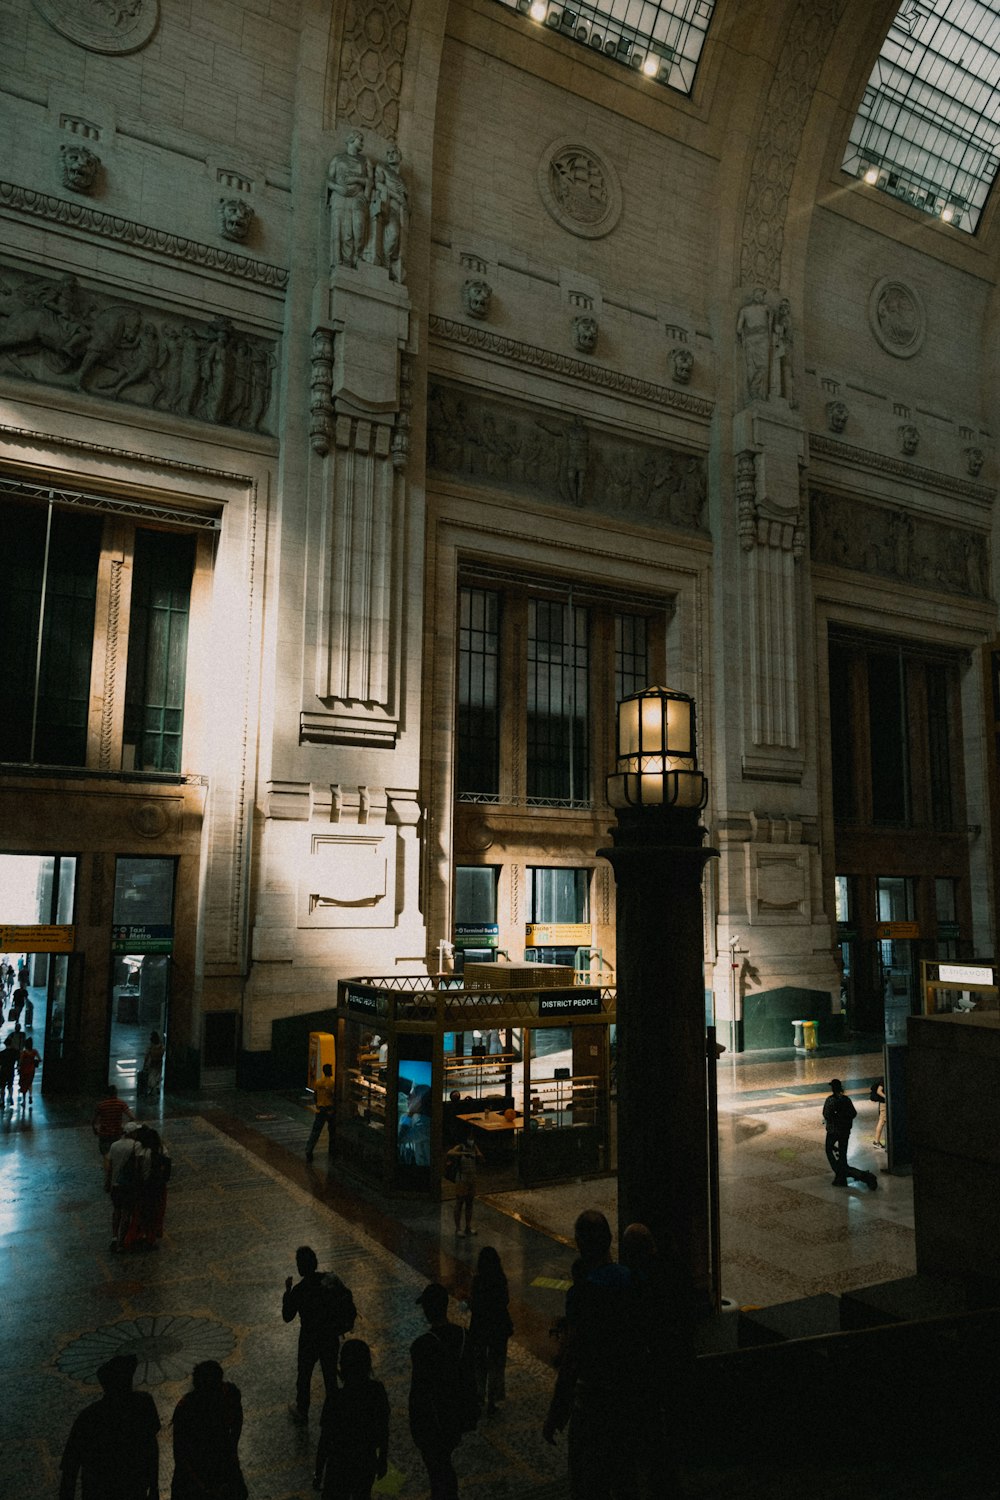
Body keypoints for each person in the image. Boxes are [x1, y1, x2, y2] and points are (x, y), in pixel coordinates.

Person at [543, 1210, 654, 1500]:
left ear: (580, 1243)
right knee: (625, 1478)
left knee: (588, 1484)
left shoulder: (582, 1295)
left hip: (594, 1403)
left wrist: (557, 1411)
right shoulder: (632, 1281)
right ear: (609, 1240)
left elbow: (573, 1358)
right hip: (629, 1398)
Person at [409, 1282, 479, 1500]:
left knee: (437, 1468)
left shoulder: (422, 1346)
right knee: (443, 1463)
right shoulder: (464, 1337)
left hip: (434, 1418)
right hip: (457, 1413)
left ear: (427, 1310)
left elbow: (419, 1391)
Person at [59, 1351, 160, 1500]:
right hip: (134, 1490)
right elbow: (151, 1447)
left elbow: (70, 1467)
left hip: (99, 1491)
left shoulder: (89, 1417)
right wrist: (154, 1486)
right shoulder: (143, 1405)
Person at [282, 1245, 352, 1424]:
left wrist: (287, 1292)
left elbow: (287, 1316)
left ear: (300, 1267)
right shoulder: (329, 1281)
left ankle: (302, 1410)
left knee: (304, 1375)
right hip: (329, 1336)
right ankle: (334, 1411)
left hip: (308, 1339)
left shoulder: (299, 1290)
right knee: (329, 1375)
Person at [313, 1339, 390, 1500]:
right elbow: (383, 1428)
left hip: (339, 1464)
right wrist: (382, 1458)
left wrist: (318, 1472)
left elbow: (325, 1439)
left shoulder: (336, 1398)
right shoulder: (376, 1391)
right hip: (366, 1460)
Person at [171, 1359, 246, 1500]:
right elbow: (182, 1456)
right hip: (198, 1469)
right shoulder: (188, 1410)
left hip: (216, 1462)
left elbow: (179, 1453)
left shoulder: (186, 1407)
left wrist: (232, 1448)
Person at [469, 1245, 513, 1415]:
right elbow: (505, 1301)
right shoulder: (501, 1280)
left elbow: (473, 1304)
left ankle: (479, 1395)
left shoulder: (477, 1281)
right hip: (498, 1326)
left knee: (479, 1363)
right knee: (497, 1363)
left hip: (480, 1326)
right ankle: (493, 1399)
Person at [122, 1125, 171, 1250]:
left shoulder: (142, 1151)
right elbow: (167, 1170)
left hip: (143, 1186)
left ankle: (134, 1237)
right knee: (154, 1213)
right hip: (157, 1187)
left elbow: (138, 1170)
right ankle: (151, 1238)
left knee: (140, 1213)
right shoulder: (161, 1151)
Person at [823, 1078, 877, 1190]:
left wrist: (834, 1120)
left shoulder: (830, 1100)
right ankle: (844, 1174)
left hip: (833, 1131)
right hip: (845, 1131)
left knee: (829, 1149)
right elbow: (853, 1113)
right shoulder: (846, 1099)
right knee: (843, 1156)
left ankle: (842, 1174)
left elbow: (826, 1114)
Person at [106, 1122, 143, 1251]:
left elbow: (109, 1167)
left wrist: (107, 1182)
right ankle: (122, 1241)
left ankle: (114, 1237)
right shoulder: (136, 1145)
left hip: (115, 1184)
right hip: (128, 1185)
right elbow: (137, 1166)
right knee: (126, 1212)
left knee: (116, 1211)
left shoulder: (114, 1145)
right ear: (132, 1133)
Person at [446, 1132, 484, 1237]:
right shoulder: (461, 1147)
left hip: (472, 1178)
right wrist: (463, 1154)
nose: (471, 1140)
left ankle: (468, 1226)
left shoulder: (474, 1147)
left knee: (469, 1202)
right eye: (469, 1137)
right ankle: (458, 1228)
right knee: (459, 1202)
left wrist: (478, 1155)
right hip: (462, 1178)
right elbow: (449, 1153)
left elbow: (480, 1156)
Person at [306, 1061, 337, 1162]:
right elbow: (333, 1097)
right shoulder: (332, 1083)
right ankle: (332, 1151)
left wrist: (318, 1105)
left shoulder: (318, 1082)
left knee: (315, 1132)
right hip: (329, 1110)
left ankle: (309, 1150)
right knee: (332, 1131)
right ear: (330, 1071)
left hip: (320, 1109)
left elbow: (315, 1095)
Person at [93, 1084, 134, 1158]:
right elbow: (132, 1117)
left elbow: (94, 1120)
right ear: (116, 1093)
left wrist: (95, 1130)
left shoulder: (101, 1105)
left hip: (104, 1133)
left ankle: (107, 1167)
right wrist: (124, 1127)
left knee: (105, 1154)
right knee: (115, 1154)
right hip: (116, 1133)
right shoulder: (121, 1104)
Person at [17, 1034, 41, 1105]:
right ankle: (30, 1096)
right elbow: (39, 1059)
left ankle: (24, 1101)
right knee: (30, 1083)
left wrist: (19, 1066)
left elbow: (20, 1061)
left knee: (24, 1084)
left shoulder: (23, 1052)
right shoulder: (34, 1051)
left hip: (24, 1070)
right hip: (31, 1070)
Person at [139, 1031, 164, 1097]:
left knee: (151, 1075)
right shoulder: (161, 1046)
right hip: (159, 1062)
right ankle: (157, 1087)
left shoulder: (151, 1046)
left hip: (152, 1062)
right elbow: (163, 1052)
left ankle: (151, 1088)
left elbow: (147, 1056)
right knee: (158, 1075)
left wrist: (144, 1065)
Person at [0, 1034, 18, 1107]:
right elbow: (18, 1056)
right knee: (10, 1085)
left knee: (2, 1086)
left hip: (3, 1070)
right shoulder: (14, 1052)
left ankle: (2, 1100)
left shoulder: (1, 1053)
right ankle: (10, 1096)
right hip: (11, 1070)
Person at [872, 1076, 887, 1148]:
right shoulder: (884, 1080)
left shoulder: (885, 1079)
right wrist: (887, 1097)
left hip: (884, 1103)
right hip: (884, 1104)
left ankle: (876, 1141)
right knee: (881, 1122)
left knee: (882, 1122)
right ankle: (876, 1141)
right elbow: (879, 1091)